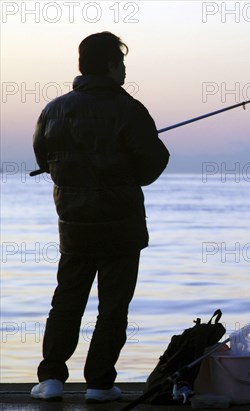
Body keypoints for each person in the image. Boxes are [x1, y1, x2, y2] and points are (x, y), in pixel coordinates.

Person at [30, 32, 169, 403]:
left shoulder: (54, 110)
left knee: (67, 300)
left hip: (74, 226)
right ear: (110, 66)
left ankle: (52, 379)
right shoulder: (130, 110)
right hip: (121, 227)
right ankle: (99, 383)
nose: (124, 71)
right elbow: (151, 165)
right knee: (113, 305)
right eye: (121, 64)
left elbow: (44, 159)